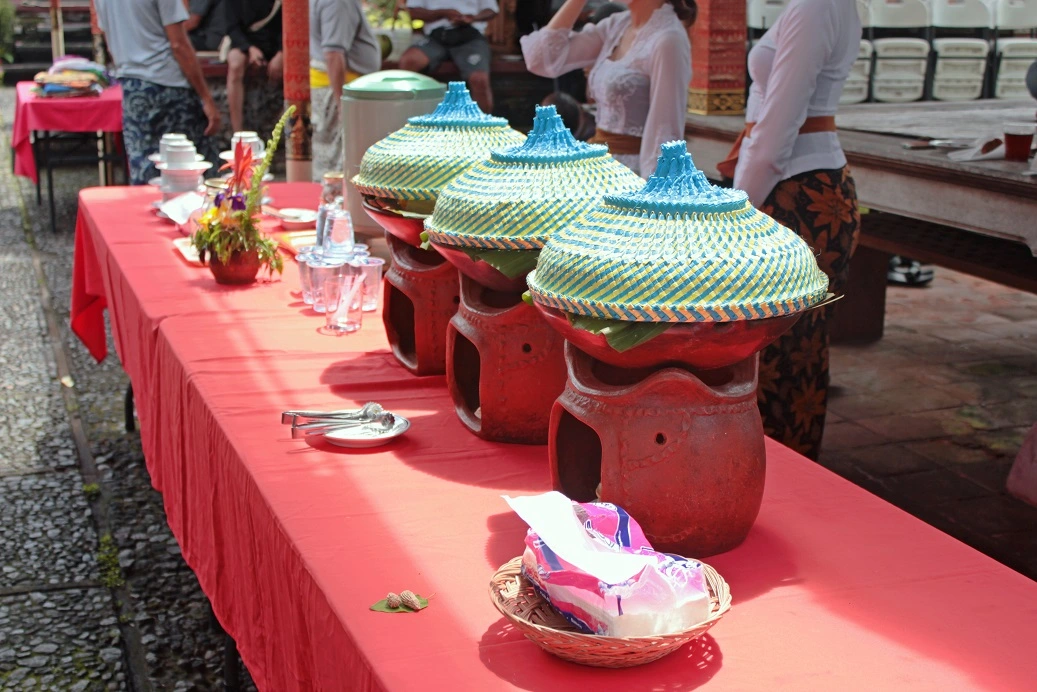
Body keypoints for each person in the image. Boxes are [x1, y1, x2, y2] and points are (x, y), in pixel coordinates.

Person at [715, 0, 862, 460]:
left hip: (797, 193)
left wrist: (739, 206)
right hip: (803, 187)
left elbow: (779, 124)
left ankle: (777, 472)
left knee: (778, 349)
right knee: (791, 348)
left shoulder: (815, 6)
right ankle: (776, 470)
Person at [521, 0, 693, 178]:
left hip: (632, 174)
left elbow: (665, 129)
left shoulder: (668, 39)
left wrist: (652, 196)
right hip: (599, 163)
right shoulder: (617, 25)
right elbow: (540, 60)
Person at [96, 0, 221, 185]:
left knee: (144, 170)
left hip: (132, 84)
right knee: (193, 173)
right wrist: (206, 98)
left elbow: (109, 41)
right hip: (169, 86)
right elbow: (179, 45)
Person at [309, 0, 382, 181]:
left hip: (335, 85)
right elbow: (333, 54)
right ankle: (334, 204)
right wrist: (342, 100)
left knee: (332, 155)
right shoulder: (339, 2)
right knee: (338, 159)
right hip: (338, 87)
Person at [400, 1, 499, 114]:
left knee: (479, 79)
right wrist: (443, 13)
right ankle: (408, 119)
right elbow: (413, 12)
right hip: (436, 36)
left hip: (470, 36)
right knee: (409, 61)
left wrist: (472, 18)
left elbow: (492, 10)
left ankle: (483, 126)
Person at [223, 0, 283, 134]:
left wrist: (281, 52)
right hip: (245, 42)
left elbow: (289, 23)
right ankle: (237, 132)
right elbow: (231, 26)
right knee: (235, 64)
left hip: (276, 44)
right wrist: (250, 48)